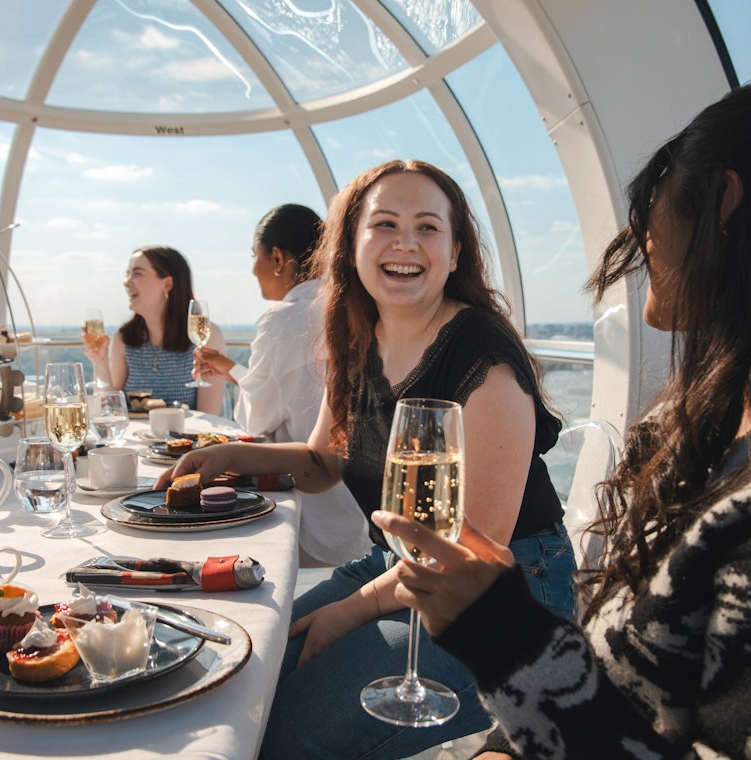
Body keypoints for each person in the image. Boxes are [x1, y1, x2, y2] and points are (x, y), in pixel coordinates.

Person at [375, 74, 751, 759]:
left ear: (722, 201)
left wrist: (505, 638)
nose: (641, 237)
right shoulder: (713, 431)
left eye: (654, 196)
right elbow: (628, 684)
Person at [157, 159, 576, 759]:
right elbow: (322, 462)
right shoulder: (357, 338)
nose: (406, 242)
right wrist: (227, 457)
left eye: (428, 227)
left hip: (506, 595)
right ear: (350, 246)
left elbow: (472, 551)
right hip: (395, 565)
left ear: (455, 252)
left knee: (285, 733)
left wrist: (349, 611)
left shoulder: (485, 355)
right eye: (384, 224)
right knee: (238, 671)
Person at [192, 203, 369, 567]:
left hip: (311, 514)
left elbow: (254, 421)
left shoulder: (285, 319)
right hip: (357, 510)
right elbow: (284, 388)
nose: (251, 269)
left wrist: (237, 380)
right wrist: (233, 371)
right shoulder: (348, 311)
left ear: (276, 257)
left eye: (253, 256)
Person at [83, 245, 226, 414]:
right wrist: (100, 363)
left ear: (167, 284)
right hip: (134, 439)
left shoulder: (207, 336)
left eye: (137, 273)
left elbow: (209, 418)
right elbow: (109, 410)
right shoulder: (124, 338)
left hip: (185, 439)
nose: (126, 282)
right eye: (127, 274)